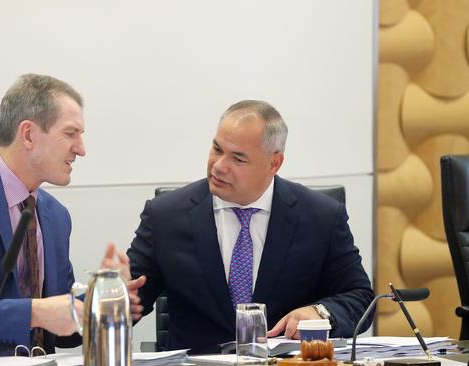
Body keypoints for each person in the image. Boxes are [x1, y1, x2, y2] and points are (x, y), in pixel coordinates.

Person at [0, 74, 145, 356]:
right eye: (71, 134)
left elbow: (63, 329)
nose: (81, 149)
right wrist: (34, 313)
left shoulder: (56, 216)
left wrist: (105, 298)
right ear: (29, 135)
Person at [127, 100, 374, 354]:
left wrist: (320, 313)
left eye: (238, 159)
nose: (219, 165)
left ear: (274, 163)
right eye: (216, 149)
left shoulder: (320, 217)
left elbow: (360, 297)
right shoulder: (165, 216)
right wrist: (113, 295)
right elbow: (131, 300)